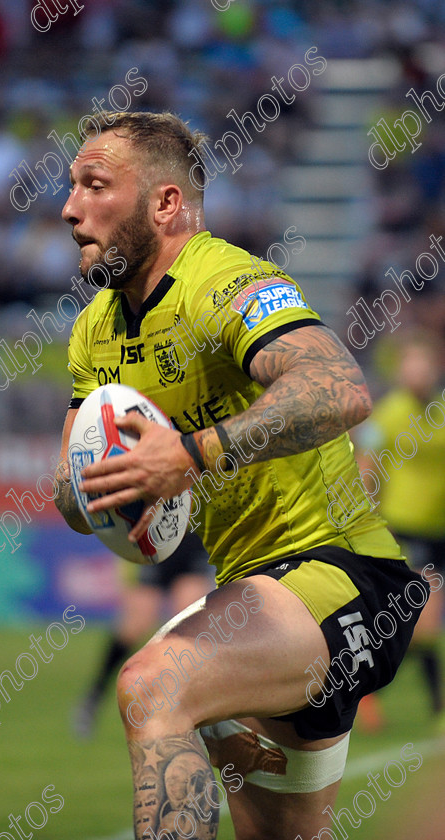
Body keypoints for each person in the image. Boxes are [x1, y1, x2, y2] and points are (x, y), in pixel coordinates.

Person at [54, 111, 429, 840]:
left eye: (95, 185)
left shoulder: (224, 280)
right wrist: (92, 488)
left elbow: (338, 388)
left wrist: (191, 454)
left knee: (149, 685)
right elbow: (71, 492)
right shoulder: (92, 331)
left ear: (165, 203)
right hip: (253, 597)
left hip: (341, 572)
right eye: (71, 186)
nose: (70, 207)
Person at [354, 331, 445, 730]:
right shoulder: (388, 412)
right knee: (425, 621)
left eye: (425, 365)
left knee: (417, 624)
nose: (419, 372)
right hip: (403, 527)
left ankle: (365, 687)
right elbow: (367, 463)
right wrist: (366, 514)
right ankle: (434, 707)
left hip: (439, 530)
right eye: (413, 364)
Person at [75, 531, 213, 737]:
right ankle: (94, 697)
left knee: (190, 621)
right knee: (135, 624)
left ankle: (198, 715)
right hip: (152, 539)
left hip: (193, 538)